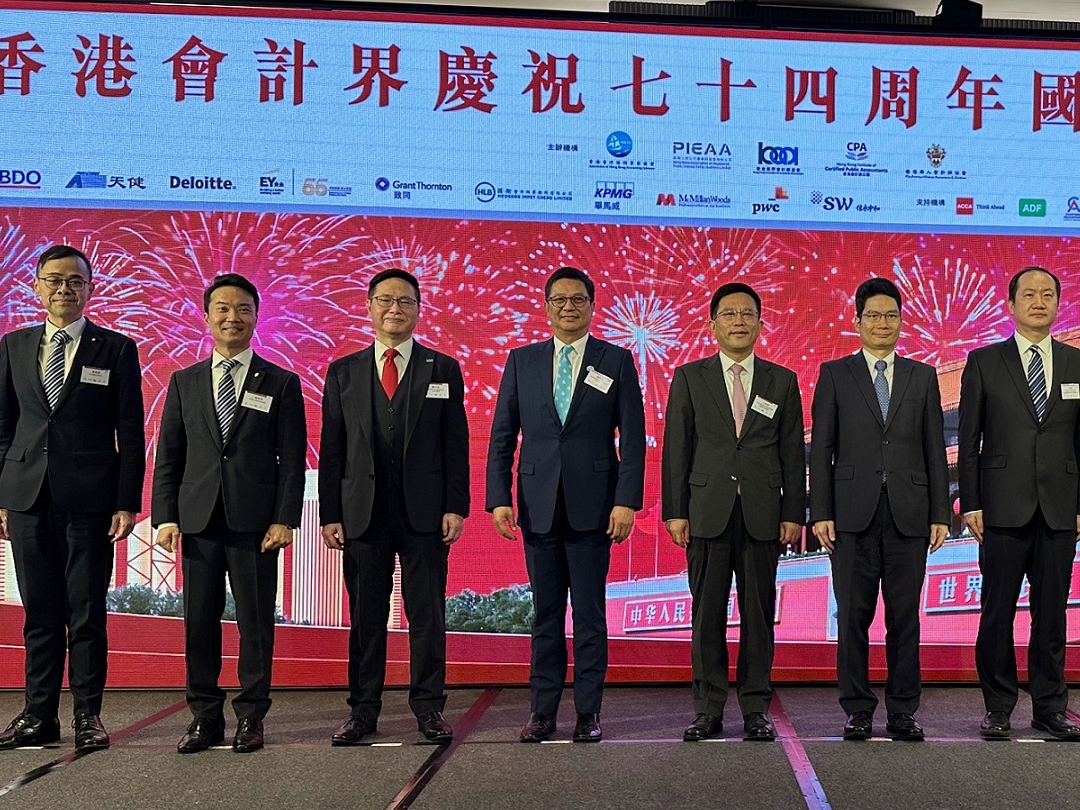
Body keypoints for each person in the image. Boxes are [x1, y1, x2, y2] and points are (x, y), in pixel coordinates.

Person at [0, 245, 144, 752]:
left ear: (90, 289)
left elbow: (130, 432)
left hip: (90, 500)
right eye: (54, 280)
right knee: (40, 614)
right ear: (37, 287)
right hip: (26, 497)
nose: (64, 289)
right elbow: (5, 426)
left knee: (86, 611)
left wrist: (126, 502)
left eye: (75, 281)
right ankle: (37, 715)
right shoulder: (14, 344)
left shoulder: (115, 348)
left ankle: (87, 716)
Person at [488, 266, 645, 743]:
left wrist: (626, 502)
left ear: (592, 306)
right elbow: (502, 437)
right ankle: (541, 713)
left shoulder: (616, 360)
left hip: (594, 508)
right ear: (547, 306)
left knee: (591, 617)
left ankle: (588, 713)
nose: (569, 307)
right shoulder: (523, 360)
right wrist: (498, 499)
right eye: (560, 300)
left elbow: (632, 440)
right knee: (546, 616)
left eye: (578, 299)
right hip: (537, 506)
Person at [152, 274, 306, 754]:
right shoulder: (184, 381)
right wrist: (165, 516)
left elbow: (292, 459)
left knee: (255, 625)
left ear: (256, 317)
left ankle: (251, 716)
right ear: (206, 317)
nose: (232, 317)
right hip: (198, 522)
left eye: (243, 309)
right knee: (199, 623)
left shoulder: (281, 382)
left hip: (256, 525)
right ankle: (204, 716)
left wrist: (285, 519)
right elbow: (169, 455)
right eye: (222, 308)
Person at [320, 268, 469, 746]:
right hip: (362, 514)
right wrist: (330, 512)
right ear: (368, 307)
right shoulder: (343, 371)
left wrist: (456, 505)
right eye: (385, 300)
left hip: (425, 514)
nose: (395, 309)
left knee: (427, 616)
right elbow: (332, 449)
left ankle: (429, 708)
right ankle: (362, 711)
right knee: (366, 618)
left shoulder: (442, 369)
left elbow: (455, 444)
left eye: (405, 301)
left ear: (419, 310)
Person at [958, 266, 1080, 742]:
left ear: (1058, 303)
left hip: (1059, 508)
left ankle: (1049, 707)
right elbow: (969, 439)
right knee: (997, 612)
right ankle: (997, 706)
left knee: (1052, 614)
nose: (1039, 301)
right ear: (1011, 304)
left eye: (1048, 294)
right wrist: (971, 502)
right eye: (1030, 294)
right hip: (1001, 507)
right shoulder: (984, 361)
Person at [809, 277, 949, 742]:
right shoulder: (835, 374)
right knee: (852, 616)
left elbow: (934, 449)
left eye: (891, 315)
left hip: (909, 514)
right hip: (851, 514)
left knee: (904, 617)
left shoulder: (922, 376)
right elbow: (822, 448)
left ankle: (903, 710)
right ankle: (857, 709)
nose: (883, 323)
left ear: (901, 322)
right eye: (873, 315)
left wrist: (940, 513)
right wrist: (821, 510)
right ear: (857, 321)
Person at [663, 282, 804, 742]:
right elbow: (677, 449)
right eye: (729, 314)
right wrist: (676, 511)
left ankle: (756, 709)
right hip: (707, 511)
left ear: (761, 324)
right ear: (712, 325)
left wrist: (793, 511)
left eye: (747, 314)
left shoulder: (782, 380)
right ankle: (707, 709)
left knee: (759, 617)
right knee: (706, 615)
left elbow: (792, 454)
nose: (739, 321)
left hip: (763, 513)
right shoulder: (690, 377)